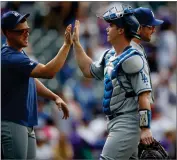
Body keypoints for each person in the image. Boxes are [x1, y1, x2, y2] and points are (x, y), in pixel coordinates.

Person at [72, 5, 154, 160]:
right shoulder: (109, 55)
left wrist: (145, 128)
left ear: (121, 30)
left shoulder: (133, 58)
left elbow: (144, 96)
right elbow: (88, 70)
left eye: (111, 25)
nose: (107, 29)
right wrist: (76, 44)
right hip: (114, 122)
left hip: (127, 123)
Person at [1, 11, 72, 159]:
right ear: (7, 33)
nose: (26, 34)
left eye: (27, 30)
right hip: (12, 121)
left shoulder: (18, 54)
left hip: (25, 122)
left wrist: (54, 97)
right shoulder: (9, 57)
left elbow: (31, 79)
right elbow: (48, 72)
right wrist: (66, 45)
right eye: (20, 31)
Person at [131, 7, 164, 145]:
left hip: (132, 122)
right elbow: (142, 95)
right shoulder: (132, 53)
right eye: (150, 26)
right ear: (139, 27)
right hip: (130, 124)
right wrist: (145, 127)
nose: (154, 30)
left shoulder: (137, 49)